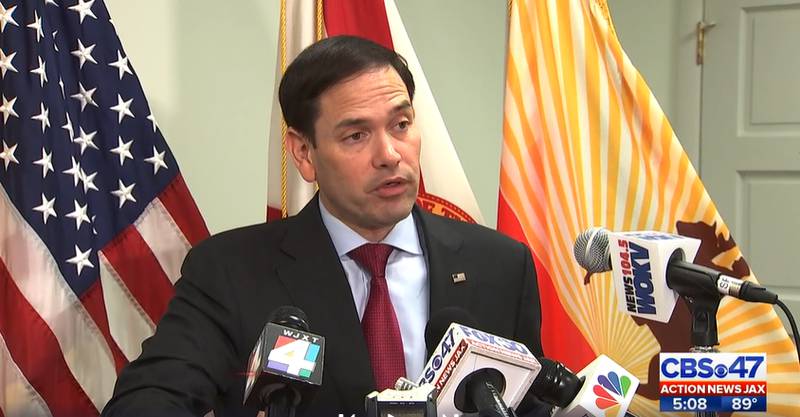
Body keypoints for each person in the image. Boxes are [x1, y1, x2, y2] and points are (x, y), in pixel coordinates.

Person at [103, 35, 547, 417]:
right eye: (356, 135)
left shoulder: (500, 266)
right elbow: (146, 402)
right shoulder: (230, 272)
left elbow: (529, 404)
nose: (390, 154)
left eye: (401, 124)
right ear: (303, 153)